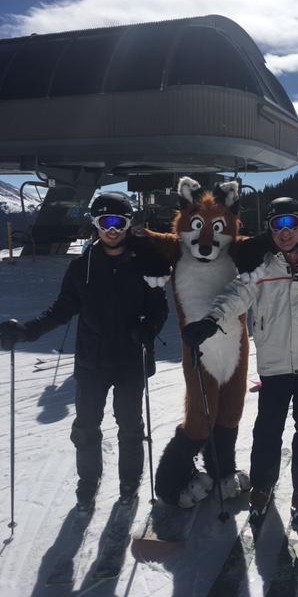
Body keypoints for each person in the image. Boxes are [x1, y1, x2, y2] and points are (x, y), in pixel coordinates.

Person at [180, 197, 298, 526]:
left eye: (291, 224)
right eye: (278, 225)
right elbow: (235, 296)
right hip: (275, 363)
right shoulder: (261, 268)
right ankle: (263, 485)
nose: (285, 232)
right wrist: (210, 321)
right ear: (270, 230)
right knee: (267, 429)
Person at [0, 193, 171, 513]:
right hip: (92, 362)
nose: (112, 230)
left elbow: (159, 308)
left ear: (128, 225)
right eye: (105, 222)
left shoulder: (144, 265)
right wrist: (27, 331)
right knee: (85, 427)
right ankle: (88, 481)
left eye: (118, 222)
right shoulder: (82, 267)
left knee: (130, 427)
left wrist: (147, 329)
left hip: (131, 360)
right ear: (95, 225)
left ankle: (129, 480)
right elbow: (61, 309)